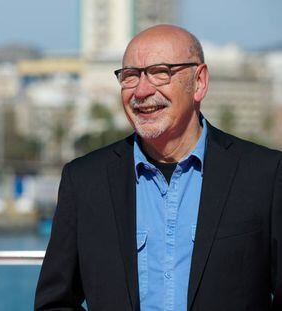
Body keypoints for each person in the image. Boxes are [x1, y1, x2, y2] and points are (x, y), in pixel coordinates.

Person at [34, 24, 282, 311]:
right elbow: (55, 302)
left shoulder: (265, 175)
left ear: (199, 82)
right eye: (130, 76)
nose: (142, 90)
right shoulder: (85, 181)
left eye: (160, 72)